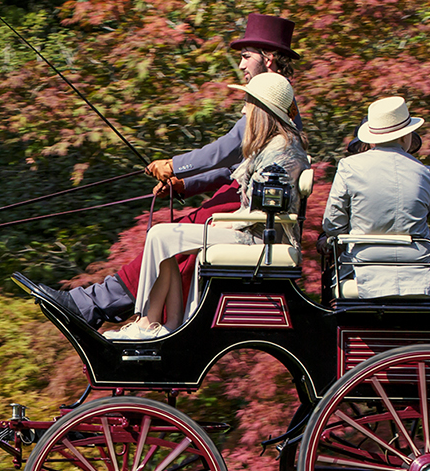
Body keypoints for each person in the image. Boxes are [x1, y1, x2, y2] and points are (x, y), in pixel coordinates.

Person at [30, 14, 302, 327]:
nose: (241, 65)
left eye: (246, 56)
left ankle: (101, 306)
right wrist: (184, 184)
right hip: (237, 196)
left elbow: (226, 149)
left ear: (267, 58)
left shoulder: (273, 103)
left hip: (242, 208)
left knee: (169, 236)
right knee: (171, 236)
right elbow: (234, 166)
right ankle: (123, 310)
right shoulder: (273, 100)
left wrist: (174, 164)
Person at [109, 72, 310, 339]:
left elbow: (265, 213)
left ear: (262, 110)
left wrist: (221, 221)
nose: (243, 109)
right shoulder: (274, 147)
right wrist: (184, 185)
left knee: (161, 234)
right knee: (164, 238)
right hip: (253, 233)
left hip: (259, 241)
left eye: (248, 103)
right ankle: (170, 325)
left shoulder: (280, 153)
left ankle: (148, 322)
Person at [320, 96, 430, 298]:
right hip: (417, 269)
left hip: (364, 266)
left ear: (372, 137)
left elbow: (333, 225)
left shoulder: (349, 167)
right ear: (404, 137)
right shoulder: (424, 173)